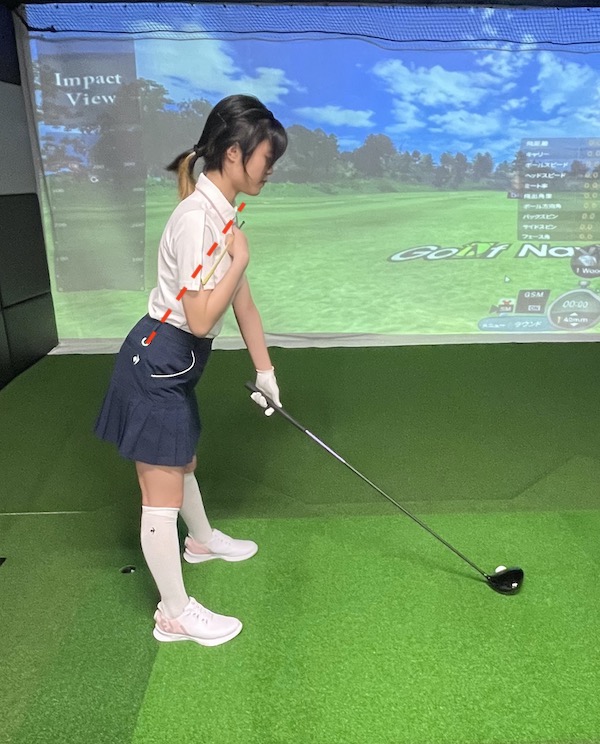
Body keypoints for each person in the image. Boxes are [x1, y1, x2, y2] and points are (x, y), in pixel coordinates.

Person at [94, 94, 288, 646]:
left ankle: (200, 541)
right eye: (267, 158)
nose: (270, 169)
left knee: (182, 459)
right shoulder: (196, 221)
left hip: (173, 360)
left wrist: (266, 371)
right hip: (157, 360)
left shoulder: (221, 213)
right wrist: (241, 257)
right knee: (160, 492)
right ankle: (174, 614)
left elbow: (242, 303)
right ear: (235, 153)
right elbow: (202, 317)